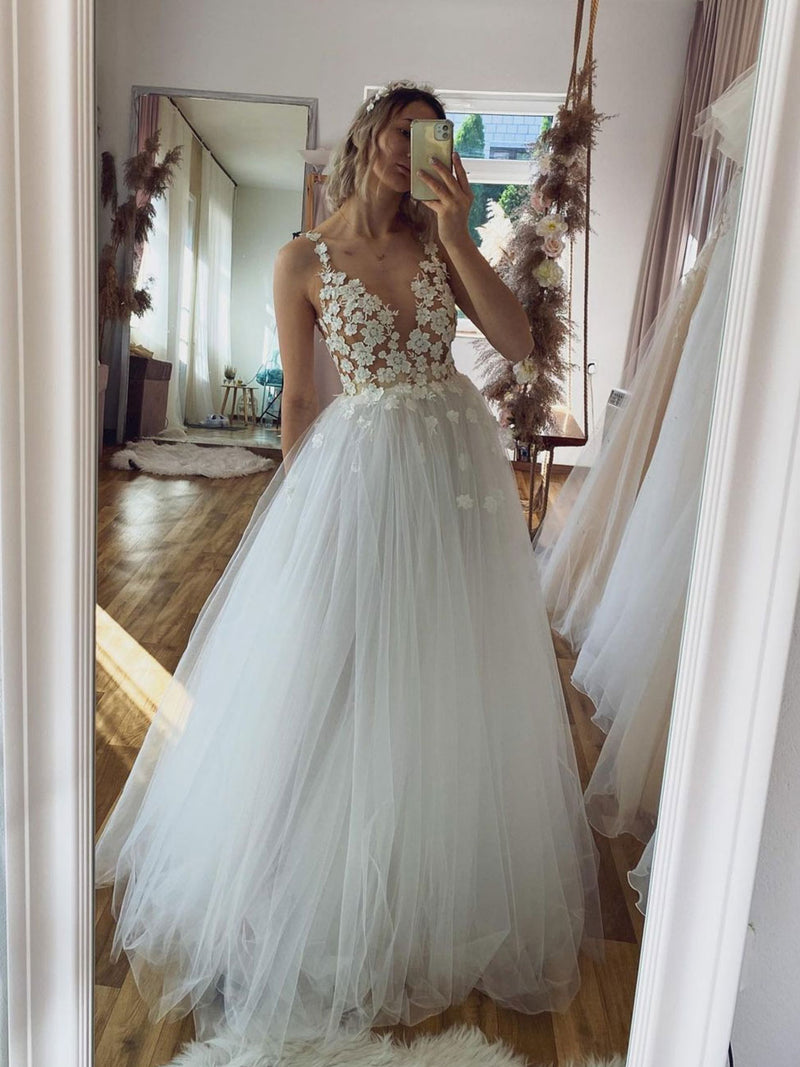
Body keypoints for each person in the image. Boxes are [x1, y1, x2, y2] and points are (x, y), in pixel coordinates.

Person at [96, 80, 601, 1061]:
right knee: (332, 661)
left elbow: (516, 343)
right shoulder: (301, 259)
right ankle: (299, 868)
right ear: (368, 136)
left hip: (452, 468)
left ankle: (428, 862)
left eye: (432, 136)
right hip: (359, 470)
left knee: (441, 659)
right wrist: (296, 518)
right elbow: (298, 401)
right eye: (401, 131)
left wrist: (459, 231)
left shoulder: (439, 239)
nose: (413, 149)